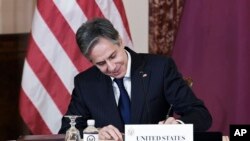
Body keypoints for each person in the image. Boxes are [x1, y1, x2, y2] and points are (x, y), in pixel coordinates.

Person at [59, 18, 212, 141]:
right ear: (90, 61)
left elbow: (200, 114)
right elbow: (66, 131)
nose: (111, 67)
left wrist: (177, 125)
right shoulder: (85, 83)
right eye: (101, 63)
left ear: (120, 42)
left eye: (113, 56)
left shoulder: (160, 68)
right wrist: (94, 134)